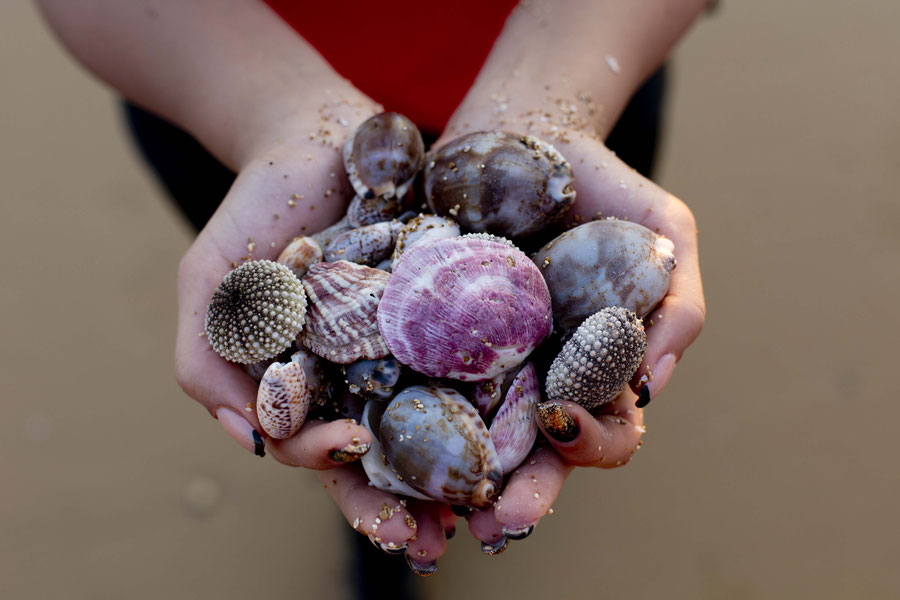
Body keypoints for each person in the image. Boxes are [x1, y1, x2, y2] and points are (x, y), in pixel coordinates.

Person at [37, 0, 707, 582]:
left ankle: (430, 510)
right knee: (357, 447)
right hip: (222, 100)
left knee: (456, 459)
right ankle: (405, 535)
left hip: (590, 59)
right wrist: (278, 115)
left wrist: (554, 95)